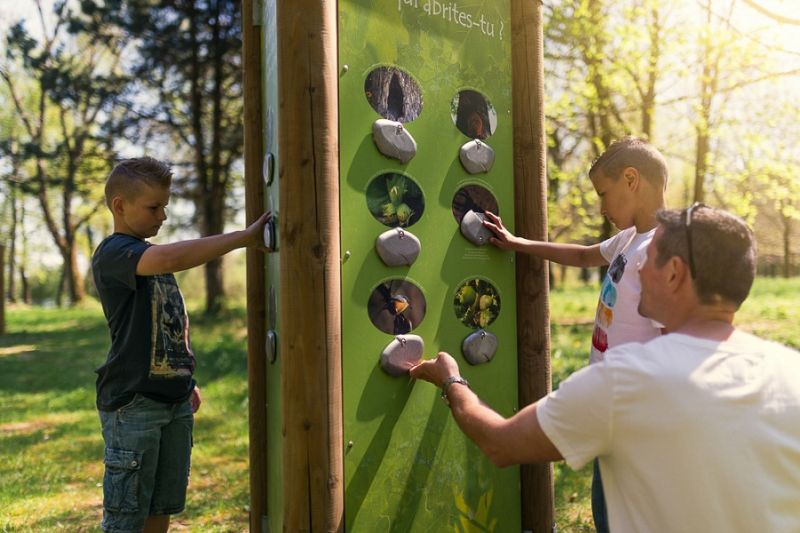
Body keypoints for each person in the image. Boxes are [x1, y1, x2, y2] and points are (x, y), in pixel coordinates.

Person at [411, 206, 800, 533]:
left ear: (674, 273)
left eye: (649, 259)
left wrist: (451, 380)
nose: (638, 270)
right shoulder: (790, 371)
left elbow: (499, 443)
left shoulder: (627, 381)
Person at [482, 136, 668, 531]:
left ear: (631, 179)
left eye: (604, 193)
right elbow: (584, 255)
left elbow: (674, 336)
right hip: (610, 403)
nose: (601, 207)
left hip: (637, 409)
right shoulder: (629, 238)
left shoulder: (661, 248)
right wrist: (519, 244)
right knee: (607, 503)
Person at [92, 156, 270, 533]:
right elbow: (172, 255)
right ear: (119, 206)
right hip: (134, 404)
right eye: (154, 207)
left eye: (165, 207)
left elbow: (173, 322)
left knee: (162, 506)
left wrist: (185, 378)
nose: (163, 217)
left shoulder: (150, 259)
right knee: (127, 518)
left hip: (174, 402)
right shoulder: (115, 254)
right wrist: (245, 238)